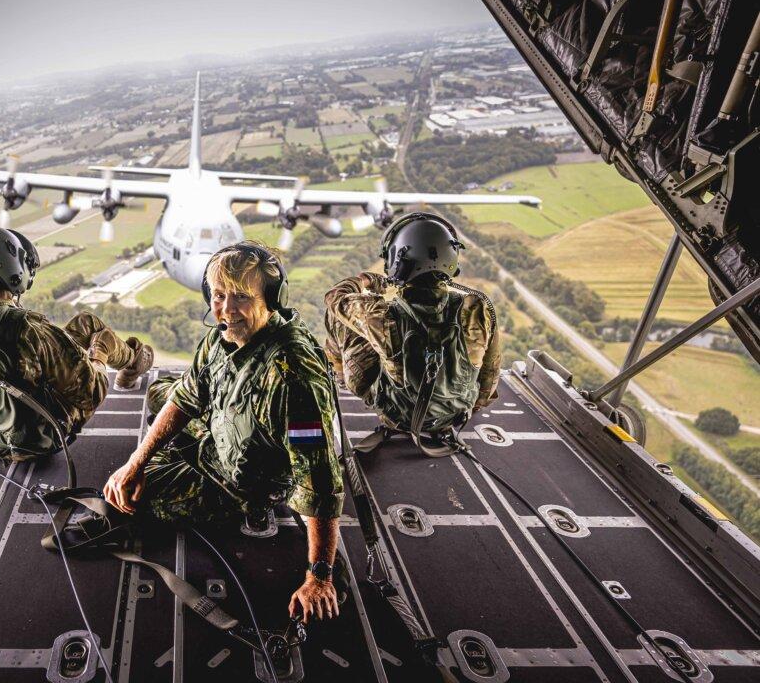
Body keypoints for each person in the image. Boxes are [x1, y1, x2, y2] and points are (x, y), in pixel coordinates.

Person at [103, 242, 346, 623]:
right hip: (223, 427)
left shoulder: (292, 379)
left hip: (240, 479)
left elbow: (319, 483)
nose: (227, 310)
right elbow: (187, 395)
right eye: (218, 295)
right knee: (160, 393)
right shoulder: (222, 336)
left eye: (241, 297)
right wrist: (136, 460)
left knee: (131, 500)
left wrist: (320, 576)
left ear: (270, 300)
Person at [0, 227, 153, 461]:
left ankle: (131, 362)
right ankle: (132, 363)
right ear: (15, 270)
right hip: (34, 443)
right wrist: (100, 354)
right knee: (92, 326)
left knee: (81, 324)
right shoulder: (30, 330)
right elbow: (91, 394)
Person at [324, 212, 501, 456]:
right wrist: (470, 405)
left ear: (398, 260)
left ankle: (342, 378)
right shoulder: (477, 309)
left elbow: (335, 298)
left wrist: (365, 281)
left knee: (338, 318)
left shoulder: (382, 315)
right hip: (456, 415)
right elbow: (490, 374)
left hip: (397, 415)